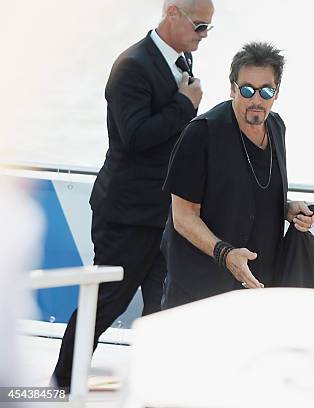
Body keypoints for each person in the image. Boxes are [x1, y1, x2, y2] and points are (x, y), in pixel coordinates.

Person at [51, 0, 215, 390]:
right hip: (126, 213)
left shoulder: (179, 61)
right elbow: (135, 137)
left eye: (210, 29)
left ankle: (154, 384)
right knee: (108, 301)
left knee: (162, 305)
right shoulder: (132, 66)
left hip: (163, 212)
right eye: (200, 26)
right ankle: (60, 383)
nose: (204, 36)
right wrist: (184, 104)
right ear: (171, 13)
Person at [161, 41, 314, 308]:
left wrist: (288, 208)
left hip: (257, 285)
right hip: (199, 288)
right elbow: (183, 216)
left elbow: (252, 192)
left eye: (266, 91)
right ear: (233, 88)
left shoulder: (277, 127)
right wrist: (226, 254)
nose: (257, 100)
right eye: (247, 90)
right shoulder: (201, 133)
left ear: (277, 92)